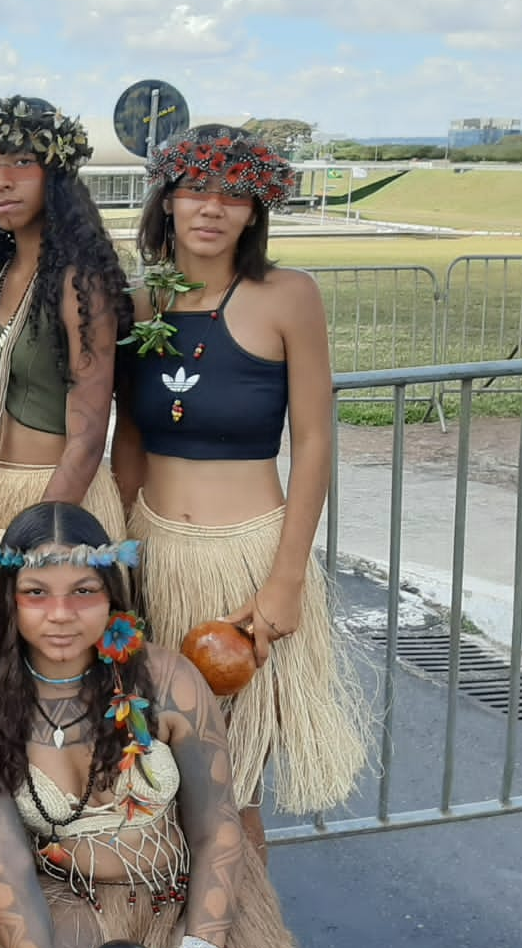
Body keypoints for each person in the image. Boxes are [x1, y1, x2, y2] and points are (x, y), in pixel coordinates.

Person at [110, 125, 369, 837]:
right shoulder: (140, 306)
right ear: (167, 202)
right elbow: (128, 438)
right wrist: (116, 561)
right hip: (155, 559)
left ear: (256, 210)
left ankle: (248, 944)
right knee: (153, 770)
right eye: (194, 189)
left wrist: (285, 579)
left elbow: (314, 442)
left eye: (232, 194)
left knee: (234, 786)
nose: (211, 208)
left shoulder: (289, 296)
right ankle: (169, 934)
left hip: (246, 568)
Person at [0, 503, 306, 948]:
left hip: (182, 893)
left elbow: (217, 830)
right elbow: (0, 849)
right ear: (9, 598)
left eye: (83, 591)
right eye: (36, 594)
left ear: (111, 594)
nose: (61, 615)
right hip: (63, 896)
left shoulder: (170, 679)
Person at [0, 96, 131, 651]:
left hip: (55, 499)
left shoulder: (78, 280)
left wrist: (41, 541)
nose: (0, 181)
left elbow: (89, 435)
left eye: (21, 162)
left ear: (57, 174)